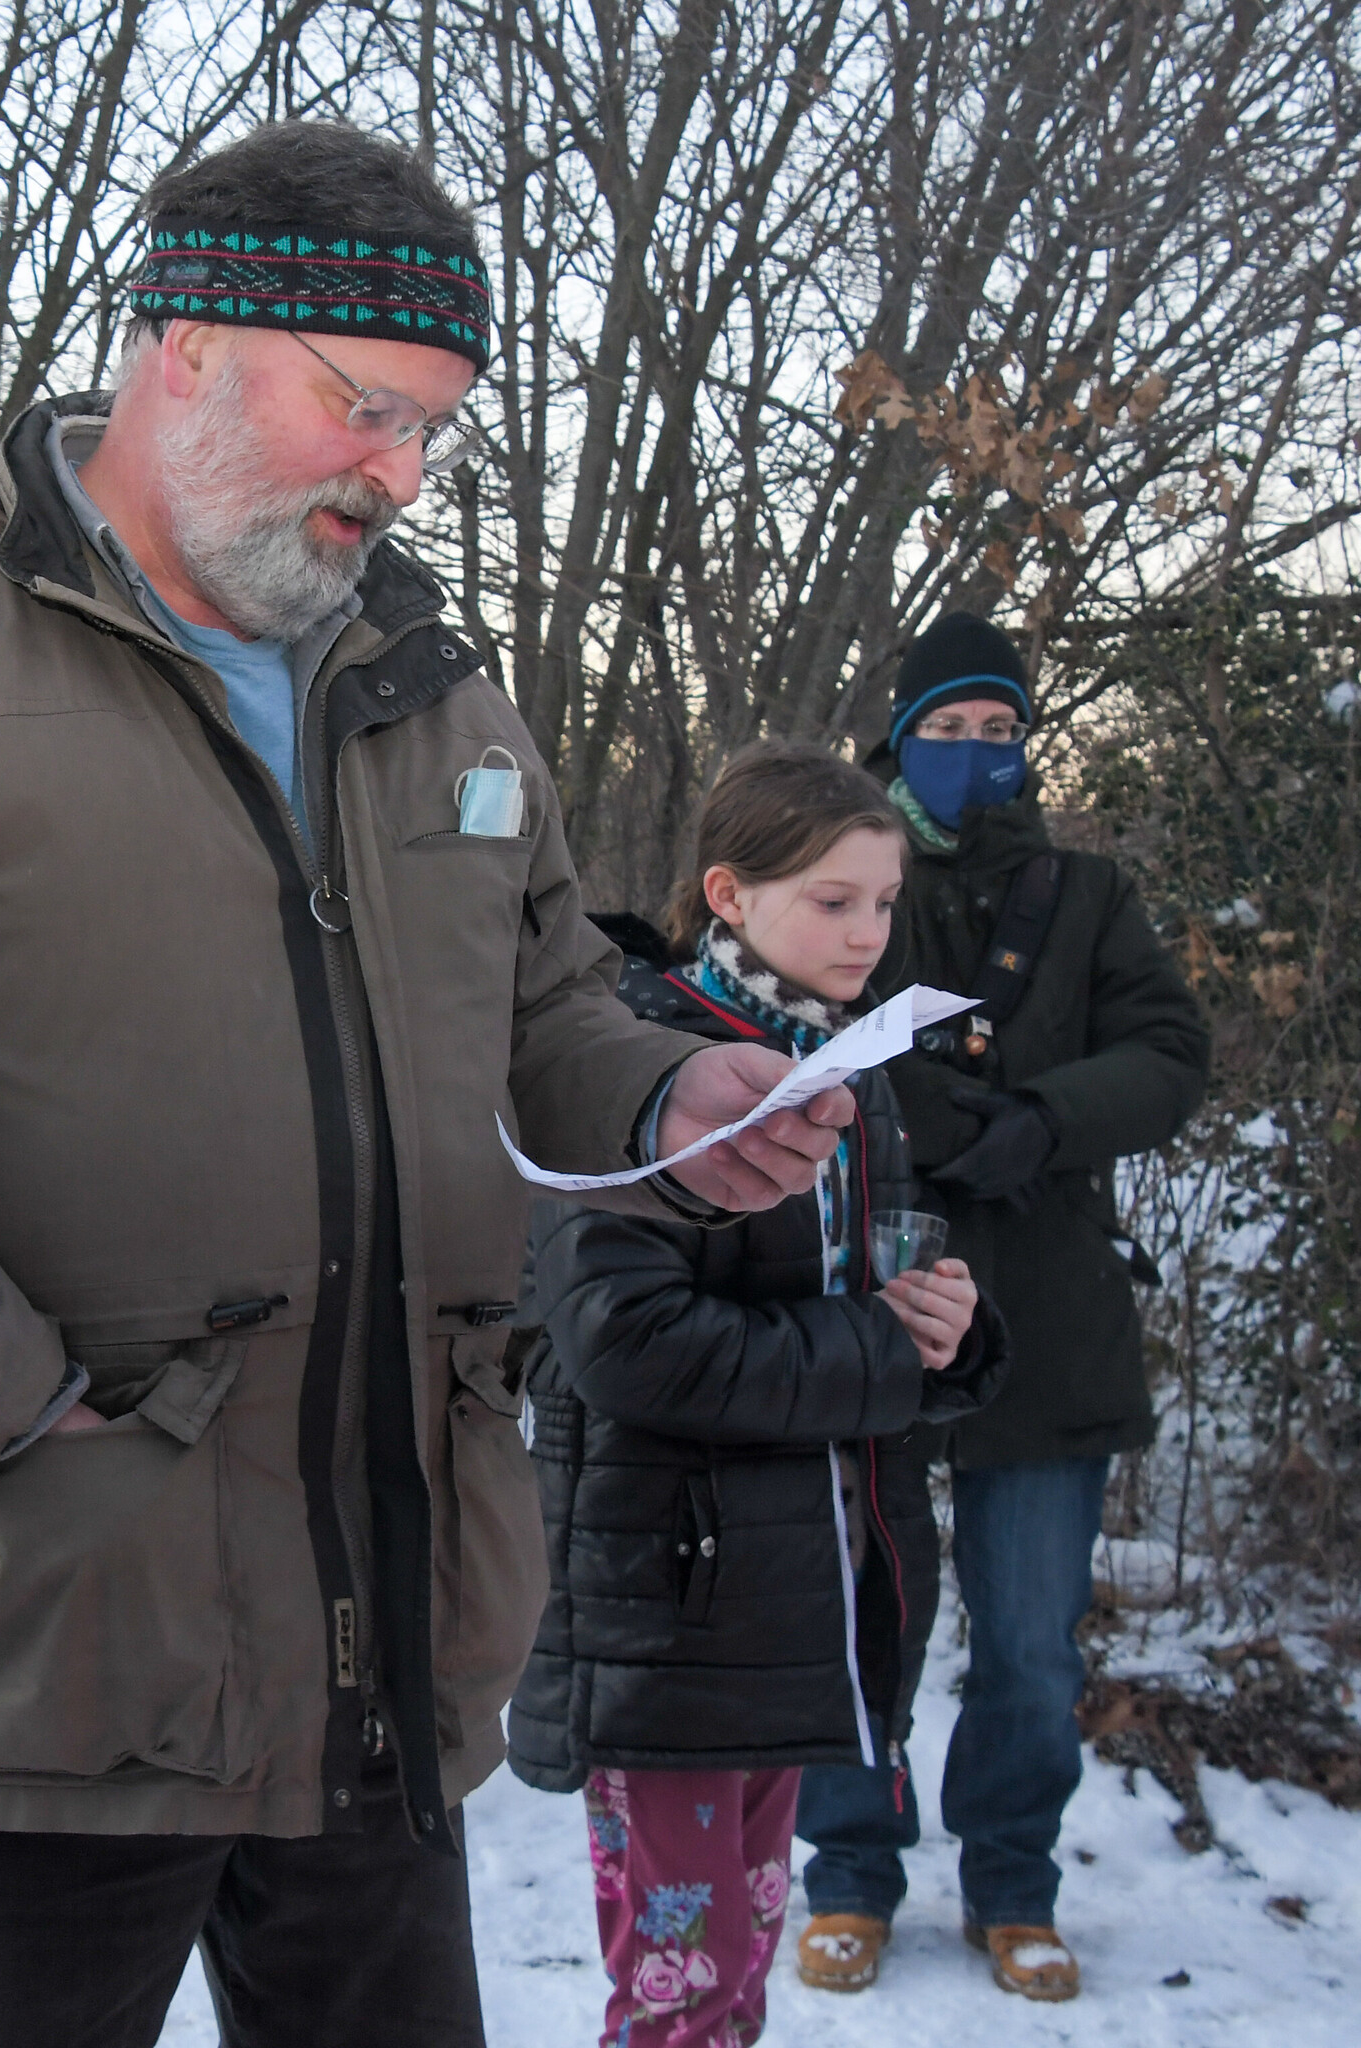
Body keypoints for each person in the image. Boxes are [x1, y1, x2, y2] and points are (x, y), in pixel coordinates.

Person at [0, 122, 858, 2048]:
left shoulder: (434, 688)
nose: (402, 473)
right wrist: (6, 1414)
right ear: (186, 346)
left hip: (377, 1620)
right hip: (32, 1638)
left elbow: (538, 1012)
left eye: (437, 427)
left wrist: (668, 1109)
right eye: (368, 409)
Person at [506, 742, 1008, 2048]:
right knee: (675, 1994)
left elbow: (886, 1291)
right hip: (667, 1609)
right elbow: (625, 1340)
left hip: (807, 1599)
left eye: (884, 902)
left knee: (732, 1992)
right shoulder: (626, 1065)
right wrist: (878, 1349)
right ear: (727, 895)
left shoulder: (858, 1062)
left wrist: (949, 1333)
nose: (868, 931)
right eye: (833, 901)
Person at [793, 612, 1210, 2003]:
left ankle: (1011, 1880)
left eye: (998, 730)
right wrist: (921, 1117)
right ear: (900, 738)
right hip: (878, 1304)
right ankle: (848, 1869)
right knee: (866, 1616)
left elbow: (1167, 1052)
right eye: (949, 729)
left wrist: (1039, 1118)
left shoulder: (1086, 895)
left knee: (1032, 1640)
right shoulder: (853, 874)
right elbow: (785, 1023)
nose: (976, 754)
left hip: (1048, 1310)